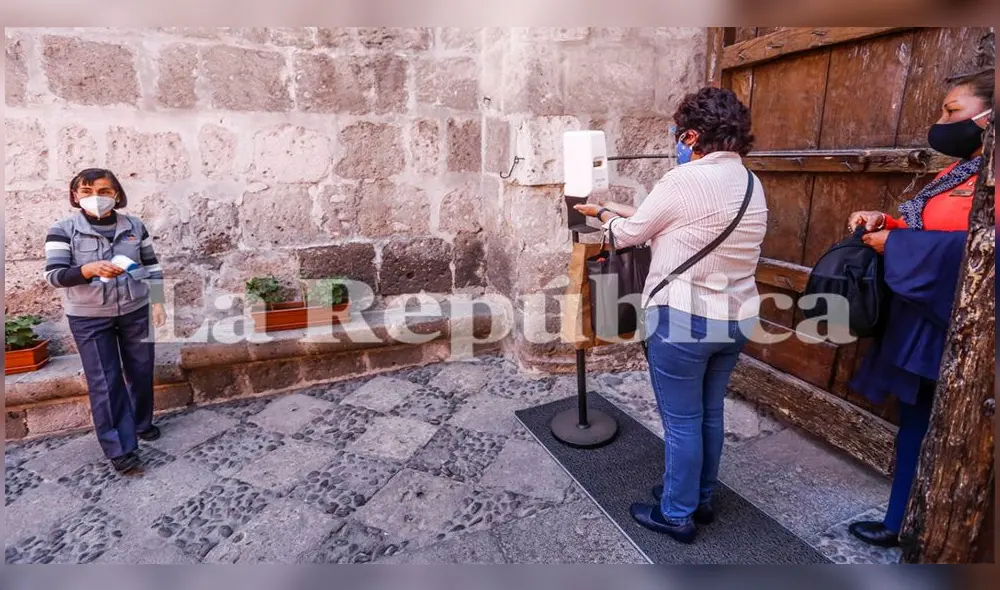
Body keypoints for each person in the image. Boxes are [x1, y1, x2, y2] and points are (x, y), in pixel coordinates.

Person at [574, 87, 768, 543]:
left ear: (693, 135)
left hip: (684, 319)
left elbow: (629, 234)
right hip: (735, 318)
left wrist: (602, 214)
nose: (676, 143)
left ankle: (676, 514)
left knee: (682, 423)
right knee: (709, 414)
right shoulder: (750, 183)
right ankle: (699, 497)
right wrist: (615, 211)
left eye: (678, 135)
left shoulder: (683, 181)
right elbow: (674, 221)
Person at [844, 68, 993, 548]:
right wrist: (884, 221)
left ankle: (931, 531)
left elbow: (980, 248)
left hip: (960, 325)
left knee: (950, 429)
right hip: (925, 317)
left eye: (953, 111)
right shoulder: (963, 168)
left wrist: (899, 247)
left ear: (990, 118)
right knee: (916, 419)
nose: (941, 121)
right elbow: (934, 222)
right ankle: (901, 520)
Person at [44, 168, 167, 474]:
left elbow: (151, 265)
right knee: (105, 379)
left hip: (134, 309)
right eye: (86, 192)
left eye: (103, 191)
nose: (95, 198)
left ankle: (141, 422)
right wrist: (87, 270)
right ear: (76, 196)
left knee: (141, 368)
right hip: (89, 317)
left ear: (116, 194)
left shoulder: (134, 226)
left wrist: (159, 301)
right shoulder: (62, 229)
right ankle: (120, 448)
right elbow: (54, 275)